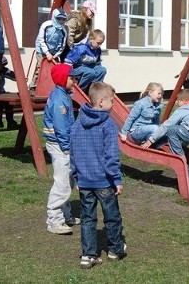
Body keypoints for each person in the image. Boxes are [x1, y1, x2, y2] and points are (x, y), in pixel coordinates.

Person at [70, 82, 127, 268]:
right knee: (112, 216)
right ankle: (115, 249)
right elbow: (111, 155)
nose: (114, 105)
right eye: (112, 101)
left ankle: (88, 255)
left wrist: (76, 176)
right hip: (104, 182)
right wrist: (116, 179)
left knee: (87, 218)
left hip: (85, 181)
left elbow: (73, 154)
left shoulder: (76, 125)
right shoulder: (108, 125)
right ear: (101, 102)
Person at [43, 63, 83, 235]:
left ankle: (65, 215)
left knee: (68, 180)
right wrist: (67, 148)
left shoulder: (64, 95)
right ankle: (54, 220)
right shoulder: (59, 100)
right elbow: (60, 127)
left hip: (64, 144)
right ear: (61, 79)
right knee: (62, 183)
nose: (74, 81)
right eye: (71, 78)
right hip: (60, 145)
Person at [30, 8, 69, 90]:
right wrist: (47, 53)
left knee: (55, 69)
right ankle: (33, 87)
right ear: (54, 17)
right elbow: (41, 39)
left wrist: (55, 55)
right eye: (59, 18)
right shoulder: (46, 25)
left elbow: (62, 45)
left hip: (54, 53)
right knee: (40, 68)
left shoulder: (63, 31)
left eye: (63, 19)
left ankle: (51, 87)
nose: (61, 21)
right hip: (41, 50)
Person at [119, 82, 164, 147]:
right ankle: (150, 143)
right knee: (155, 128)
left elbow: (156, 122)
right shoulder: (141, 103)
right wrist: (124, 133)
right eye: (158, 93)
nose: (160, 96)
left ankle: (152, 145)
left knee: (163, 130)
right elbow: (130, 118)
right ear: (150, 93)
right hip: (137, 132)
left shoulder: (157, 106)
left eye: (161, 94)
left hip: (148, 132)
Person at [64, 29, 107, 93]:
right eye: (98, 43)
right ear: (91, 39)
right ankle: (80, 91)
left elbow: (98, 63)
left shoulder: (98, 50)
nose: (100, 45)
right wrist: (70, 76)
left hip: (90, 67)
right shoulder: (81, 47)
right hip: (78, 68)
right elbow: (68, 61)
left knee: (102, 70)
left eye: (101, 43)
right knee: (90, 72)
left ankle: (94, 90)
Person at [0, 56, 19, 129]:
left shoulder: (2, 70)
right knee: (0, 103)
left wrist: (19, 77)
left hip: (1, 92)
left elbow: (10, 74)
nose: (3, 67)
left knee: (9, 104)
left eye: (4, 65)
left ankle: (10, 122)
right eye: (2, 65)